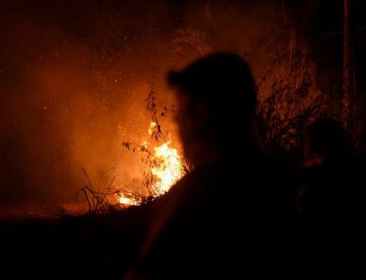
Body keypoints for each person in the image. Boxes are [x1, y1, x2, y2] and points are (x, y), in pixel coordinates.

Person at [126, 53, 297, 279]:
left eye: (182, 109)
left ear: (200, 114)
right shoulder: (283, 184)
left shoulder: (192, 198)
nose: (176, 120)